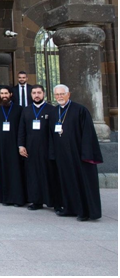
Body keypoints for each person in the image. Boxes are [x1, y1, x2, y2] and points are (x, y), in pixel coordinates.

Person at [49, 85, 103, 221]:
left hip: (78, 155)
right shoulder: (54, 112)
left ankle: (84, 211)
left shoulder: (80, 110)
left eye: (62, 94)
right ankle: (69, 208)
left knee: (80, 183)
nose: (59, 97)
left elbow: (88, 134)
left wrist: (86, 154)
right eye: (57, 95)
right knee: (66, 182)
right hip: (62, 155)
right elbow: (50, 134)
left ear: (68, 94)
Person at [18, 85, 61, 211]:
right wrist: (21, 146)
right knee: (33, 176)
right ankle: (36, 201)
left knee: (50, 175)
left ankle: (54, 202)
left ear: (44, 94)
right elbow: (22, 129)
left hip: (47, 149)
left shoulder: (51, 110)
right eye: (34, 93)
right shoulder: (26, 110)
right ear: (31, 95)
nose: (36, 95)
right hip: (30, 149)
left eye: (39, 93)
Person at [0, 86, 26, 206]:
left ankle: (18, 199)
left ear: (11, 94)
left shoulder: (19, 109)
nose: (4, 95)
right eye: (2, 93)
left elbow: (22, 128)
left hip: (14, 145)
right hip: (2, 146)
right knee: (4, 172)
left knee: (16, 172)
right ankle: (5, 198)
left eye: (6, 93)